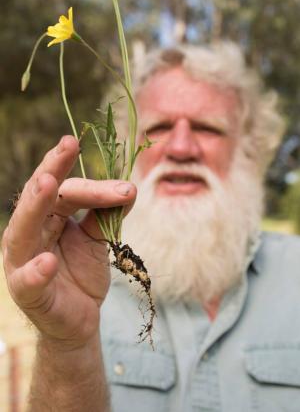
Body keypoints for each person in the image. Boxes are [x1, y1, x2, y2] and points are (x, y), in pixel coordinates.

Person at [2, 42, 300, 412]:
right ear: (126, 151)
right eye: (158, 128)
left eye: (207, 128)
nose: (180, 147)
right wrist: (68, 347)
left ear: (250, 149)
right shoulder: (79, 280)